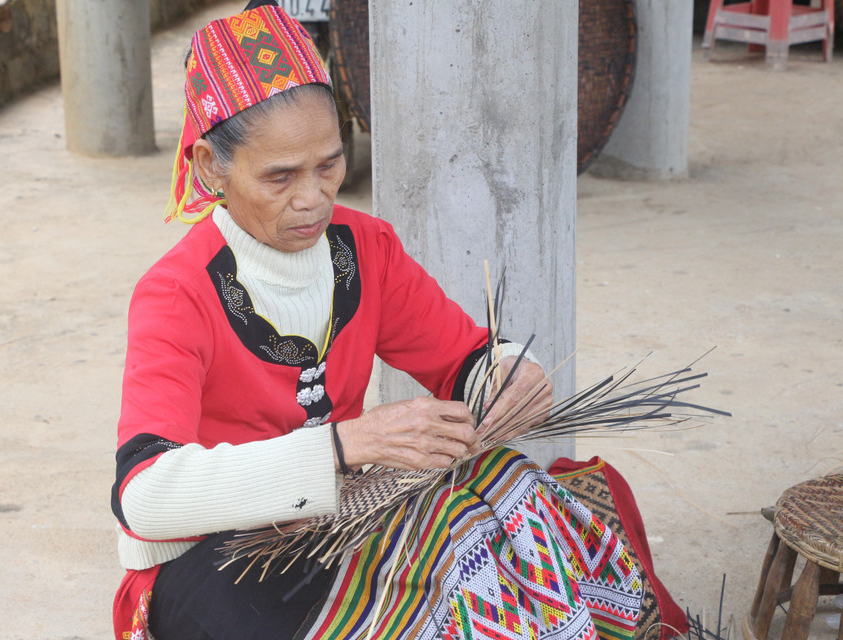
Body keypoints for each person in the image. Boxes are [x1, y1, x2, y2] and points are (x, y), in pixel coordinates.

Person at [111, 2, 642, 639]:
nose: (312, 198)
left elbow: (463, 357)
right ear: (209, 168)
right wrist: (346, 446)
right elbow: (143, 495)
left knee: (512, 501)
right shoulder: (176, 293)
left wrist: (505, 375)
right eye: (280, 176)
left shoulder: (365, 248)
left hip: (337, 519)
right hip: (215, 556)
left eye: (329, 165)